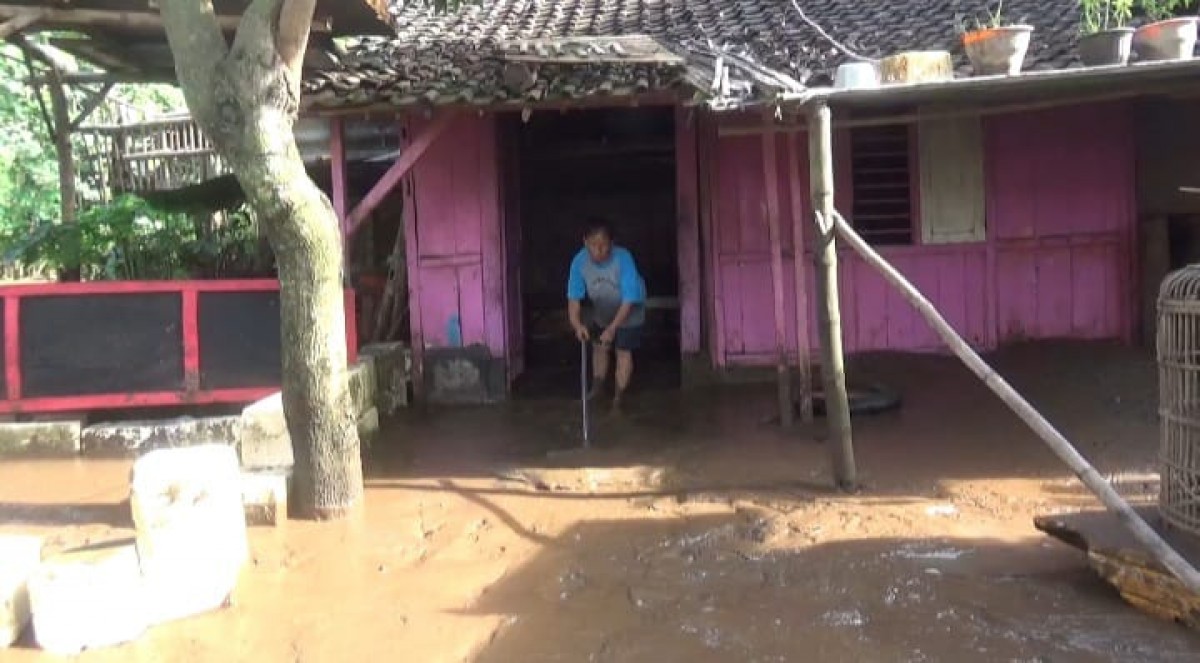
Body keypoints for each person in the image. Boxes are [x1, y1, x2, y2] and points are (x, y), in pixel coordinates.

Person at [567, 219, 646, 411]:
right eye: (594, 245)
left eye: (603, 244)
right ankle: (597, 391)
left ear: (612, 243)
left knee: (623, 351)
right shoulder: (579, 262)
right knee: (600, 347)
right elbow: (574, 300)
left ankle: (618, 400)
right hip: (602, 307)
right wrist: (577, 326)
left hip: (630, 309)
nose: (599, 250)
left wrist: (612, 328)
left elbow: (629, 299)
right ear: (585, 242)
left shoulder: (624, 258)